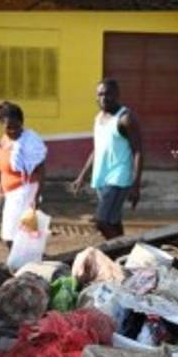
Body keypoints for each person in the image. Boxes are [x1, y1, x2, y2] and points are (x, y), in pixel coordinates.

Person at [71, 78, 143, 240]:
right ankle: (124, 250)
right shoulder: (98, 118)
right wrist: (82, 176)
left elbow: (138, 151)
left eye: (107, 94)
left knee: (101, 221)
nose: (103, 98)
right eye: (100, 94)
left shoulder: (125, 118)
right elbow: (97, 149)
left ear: (117, 95)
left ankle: (120, 248)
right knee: (113, 221)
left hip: (118, 178)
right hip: (101, 178)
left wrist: (136, 185)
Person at [0, 101, 47, 248]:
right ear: (1, 124)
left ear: (22, 123)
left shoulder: (30, 142)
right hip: (11, 194)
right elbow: (4, 169)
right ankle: (24, 259)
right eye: (9, 127)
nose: (13, 131)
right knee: (17, 235)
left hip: (24, 192)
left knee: (12, 236)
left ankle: (22, 260)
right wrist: (0, 192)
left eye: (17, 127)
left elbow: (41, 170)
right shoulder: (5, 140)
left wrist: (37, 197)